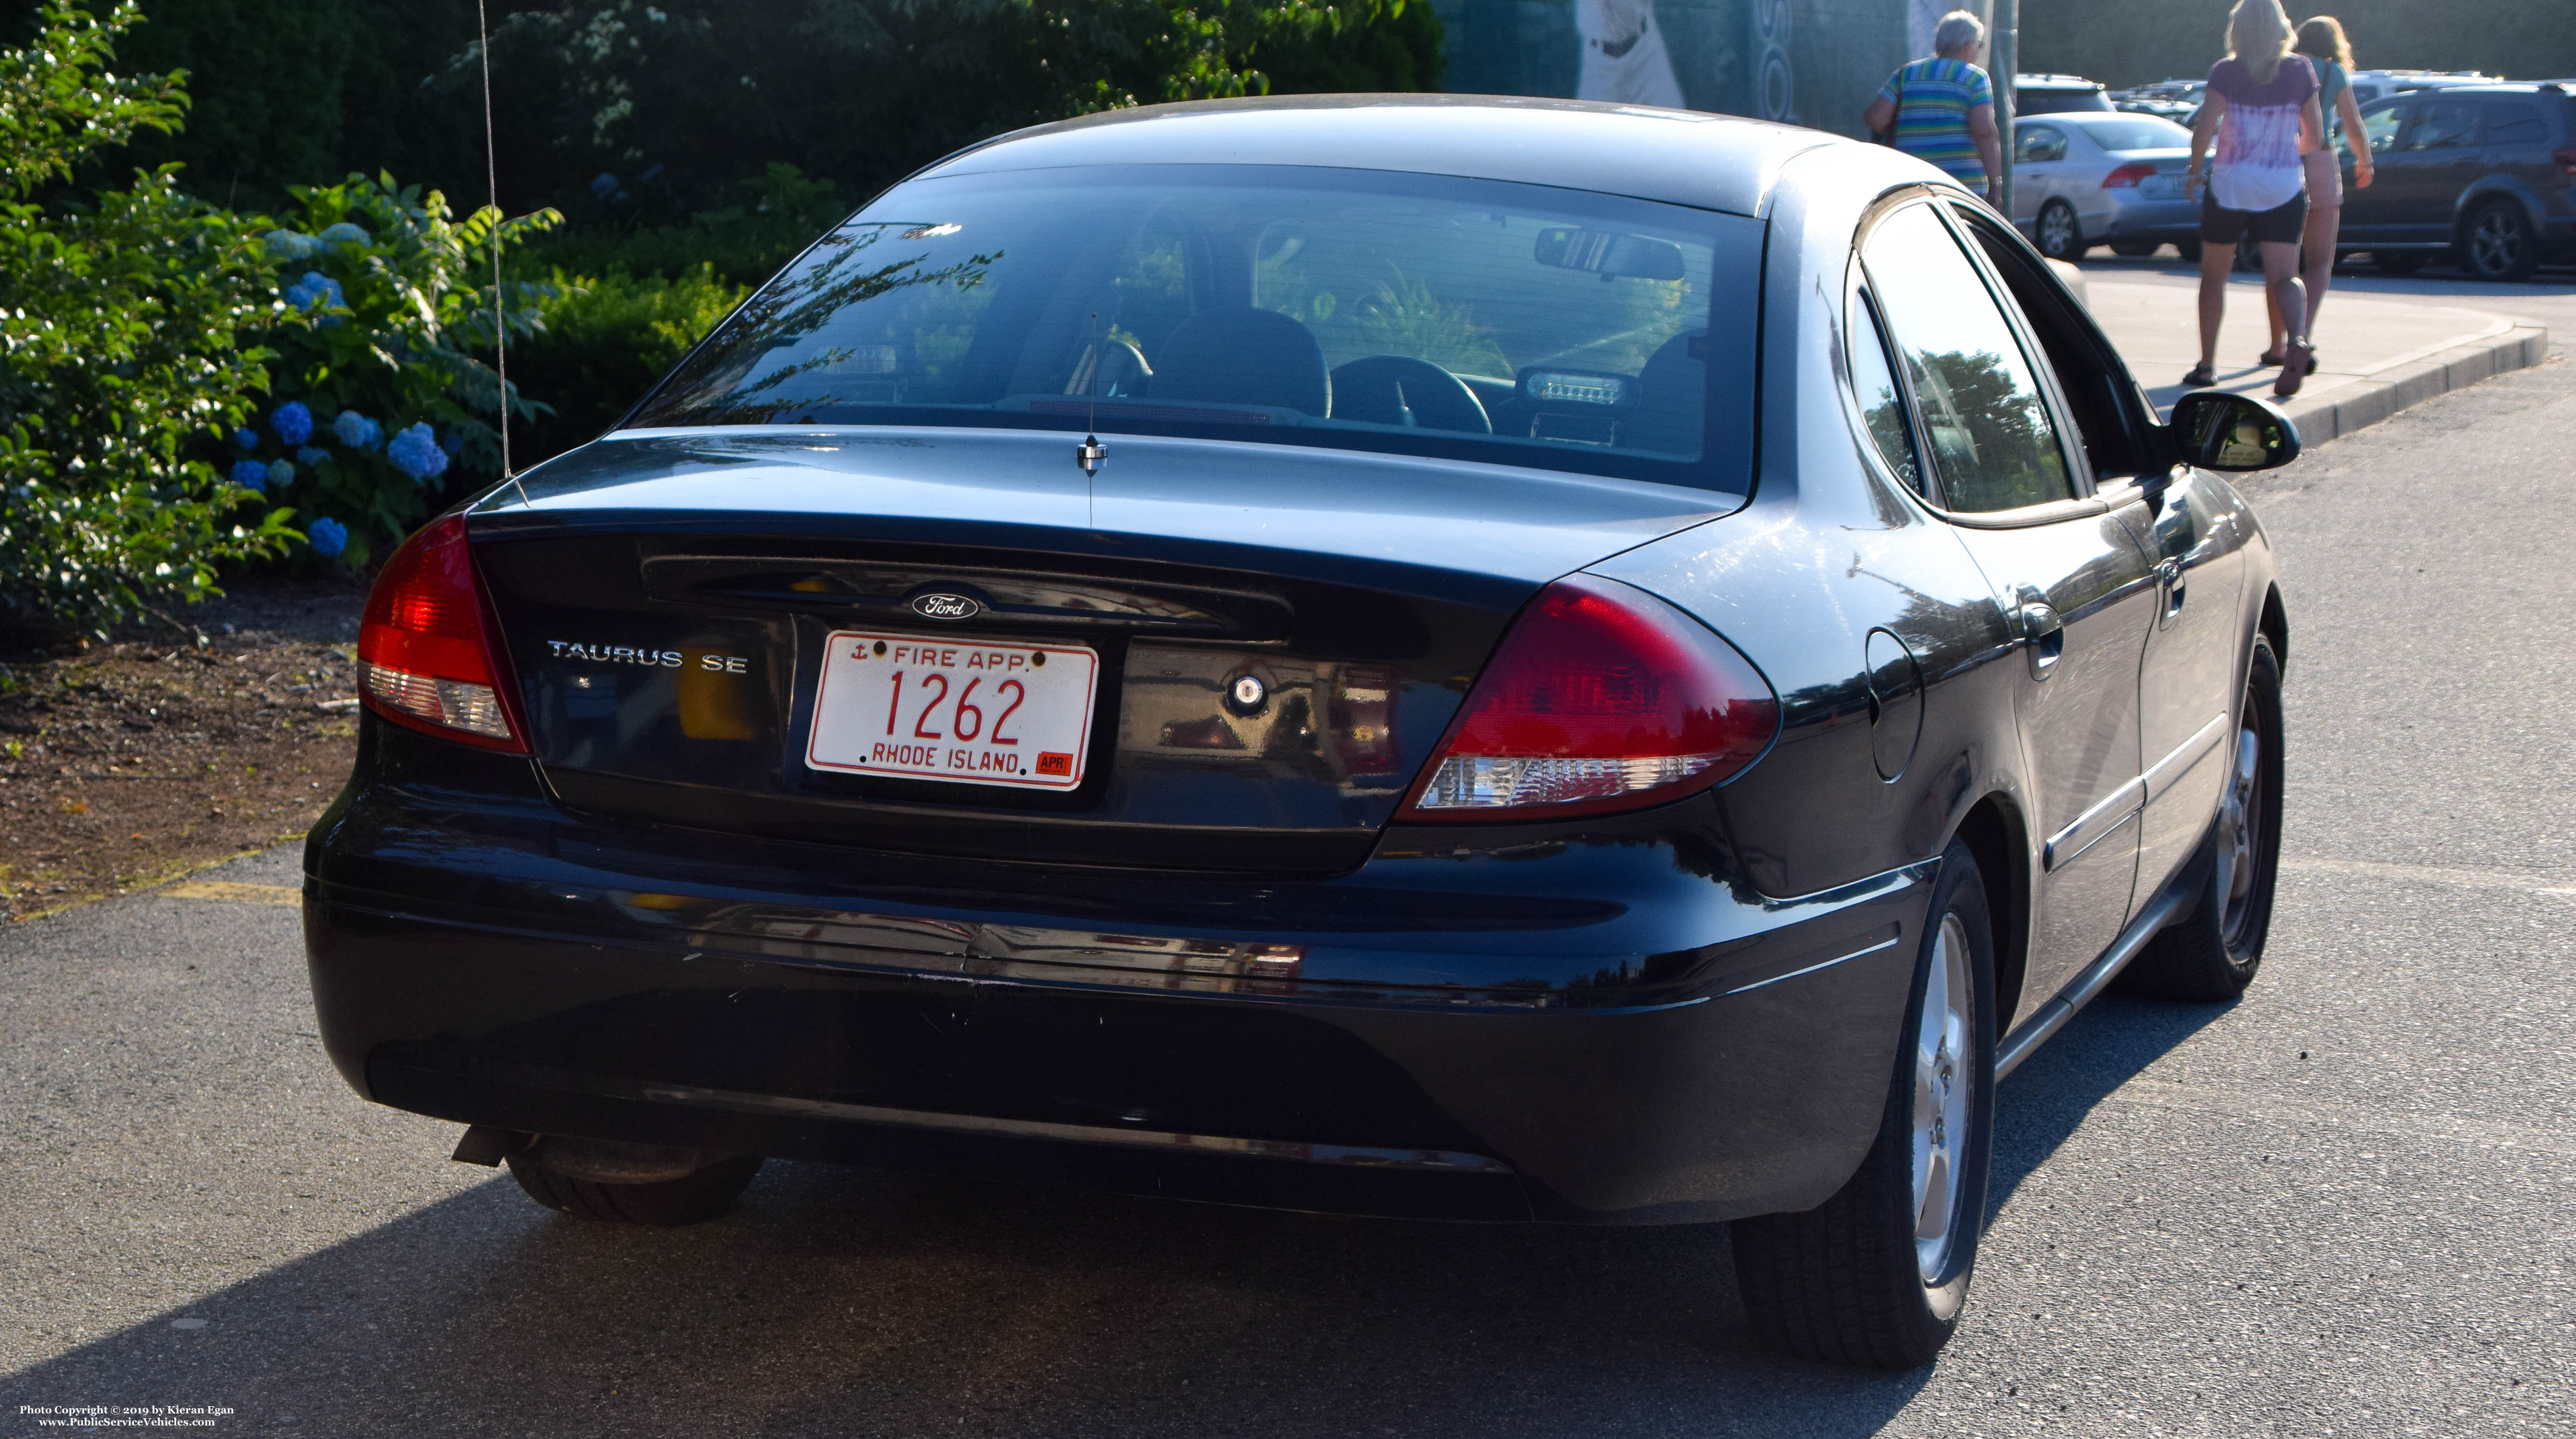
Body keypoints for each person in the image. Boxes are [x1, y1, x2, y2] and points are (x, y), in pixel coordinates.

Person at [2185, 0, 2325, 397]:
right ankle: (2295, 341)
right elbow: (2315, 135)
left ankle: (2208, 366)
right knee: (2284, 276)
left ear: (2238, 29)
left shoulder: (2226, 71)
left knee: (2215, 275)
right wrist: (2284, 156)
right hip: (2283, 185)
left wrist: (2195, 171)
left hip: (2231, 184)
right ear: (2282, 27)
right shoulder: (2300, 70)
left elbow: (2204, 129)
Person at [2260, 15, 2373, 367]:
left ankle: (2278, 345)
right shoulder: (2332, 72)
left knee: (2282, 265)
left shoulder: (2281, 68)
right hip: (2322, 160)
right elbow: (2352, 122)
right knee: (2321, 259)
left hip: (2283, 161)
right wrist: (2365, 160)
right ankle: (2303, 335)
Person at [1863, 11, 2003, 209]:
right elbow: (1984, 132)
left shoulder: (1906, 74)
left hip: (1910, 186)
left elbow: (1875, 119)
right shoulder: (1975, 78)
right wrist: (1996, 185)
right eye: (1979, 45)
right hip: (1961, 189)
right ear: (1968, 45)